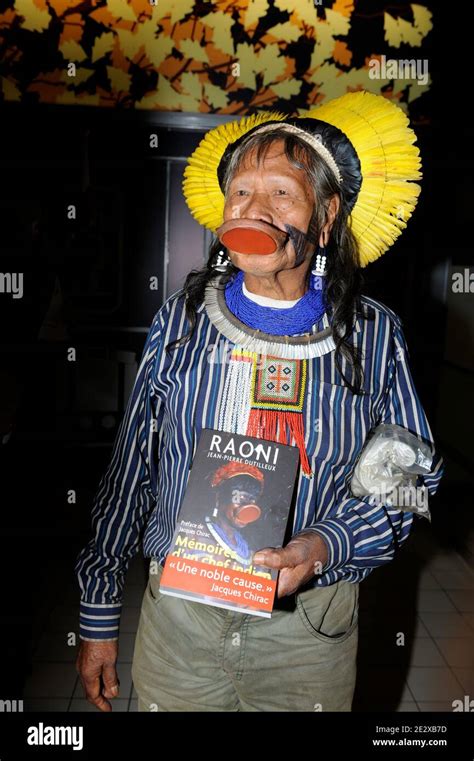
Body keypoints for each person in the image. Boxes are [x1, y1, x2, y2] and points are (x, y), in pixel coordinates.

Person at [75, 91, 444, 712]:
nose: (253, 208)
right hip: (181, 622)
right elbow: (130, 467)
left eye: (281, 192)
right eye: (241, 191)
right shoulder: (183, 320)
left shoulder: (376, 334)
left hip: (308, 631)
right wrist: (98, 610)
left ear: (325, 220)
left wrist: (323, 545)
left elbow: (407, 483)